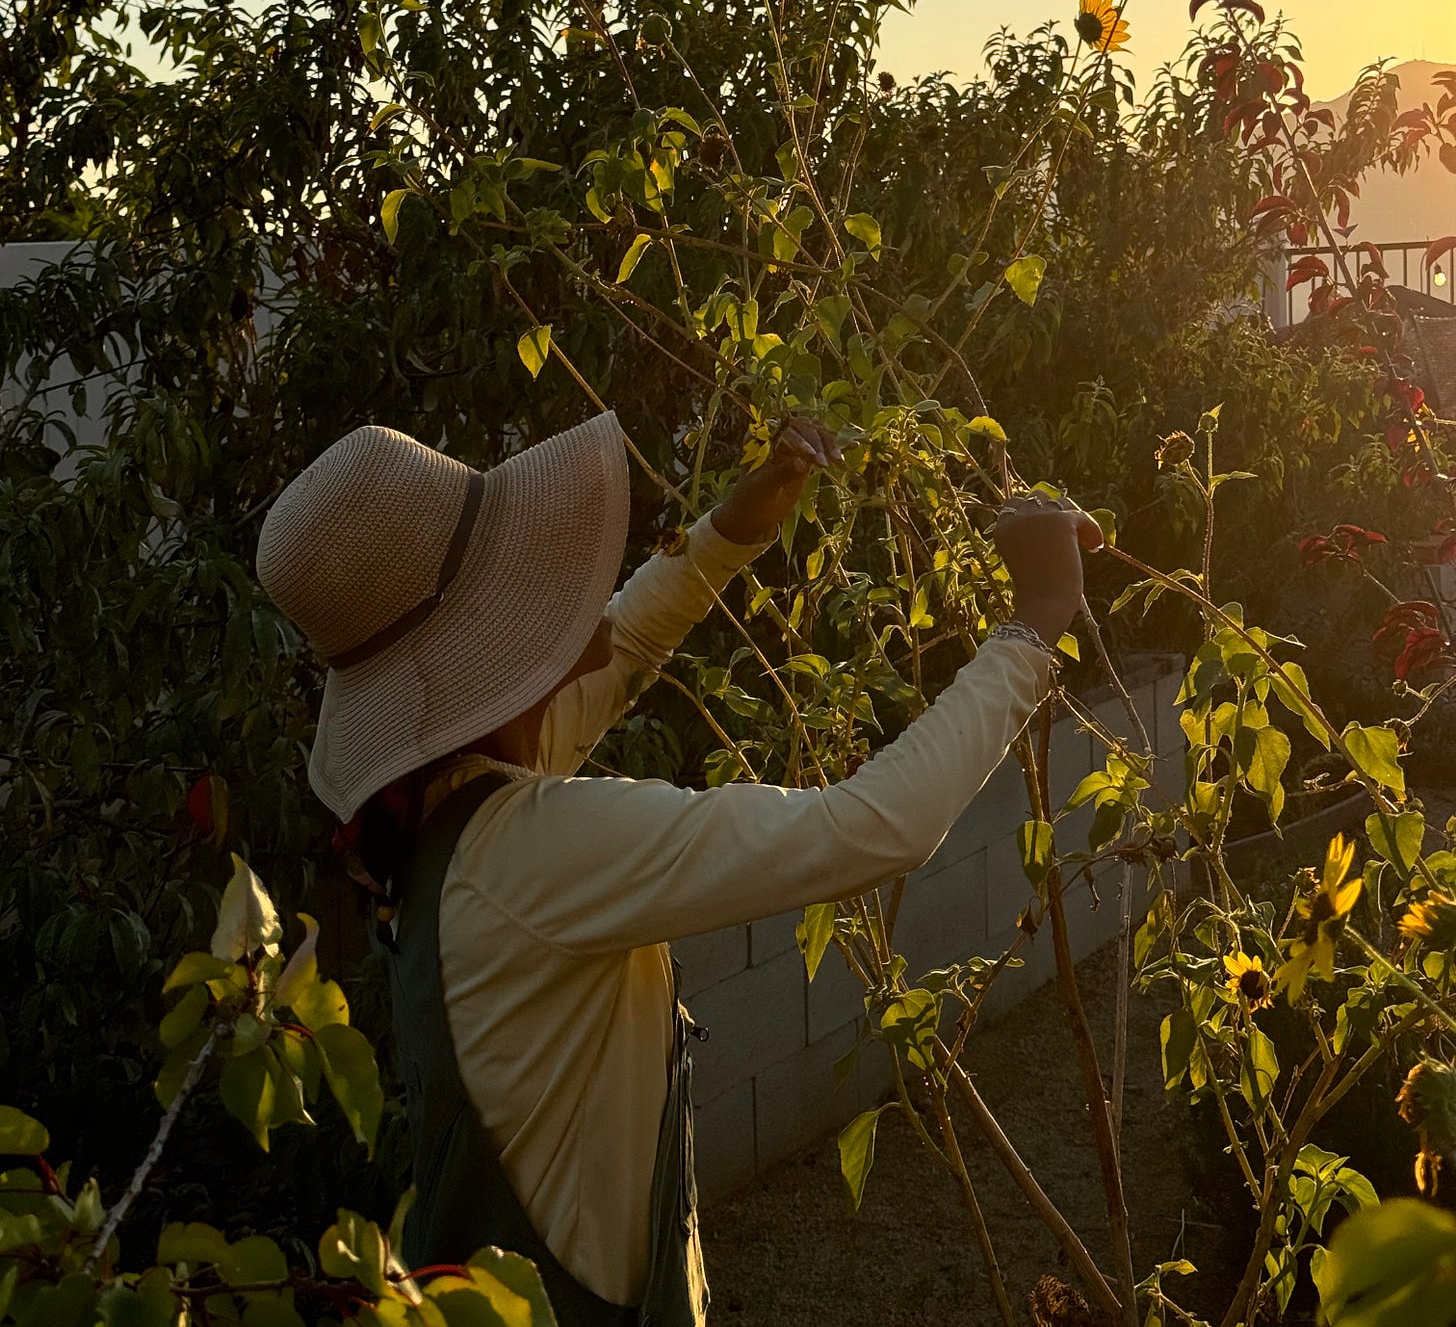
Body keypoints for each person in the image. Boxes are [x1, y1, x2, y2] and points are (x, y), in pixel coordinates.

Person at [255, 408, 1101, 1327]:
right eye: (528, 566)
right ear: (485, 642)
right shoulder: (535, 854)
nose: (564, 575)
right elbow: (873, 827)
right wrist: (1036, 625)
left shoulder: (444, 804)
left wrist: (740, 521)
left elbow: (626, 641)